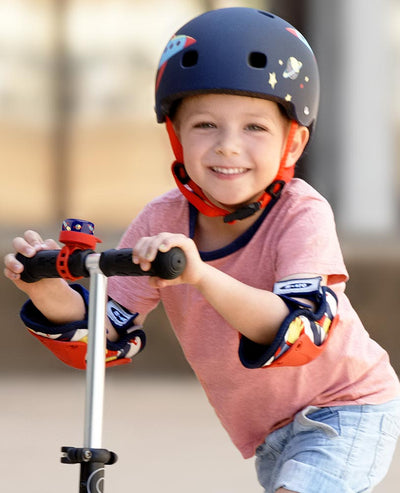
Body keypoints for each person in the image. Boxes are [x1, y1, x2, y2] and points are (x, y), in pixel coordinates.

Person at [4, 7, 400, 493]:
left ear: (292, 143)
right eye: (206, 125)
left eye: (255, 128)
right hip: (272, 429)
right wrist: (45, 287)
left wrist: (201, 275)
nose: (228, 147)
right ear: (176, 136)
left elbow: (297, 331)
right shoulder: (161, 218)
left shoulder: (302, 213)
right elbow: (104, 330)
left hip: (348, 406)